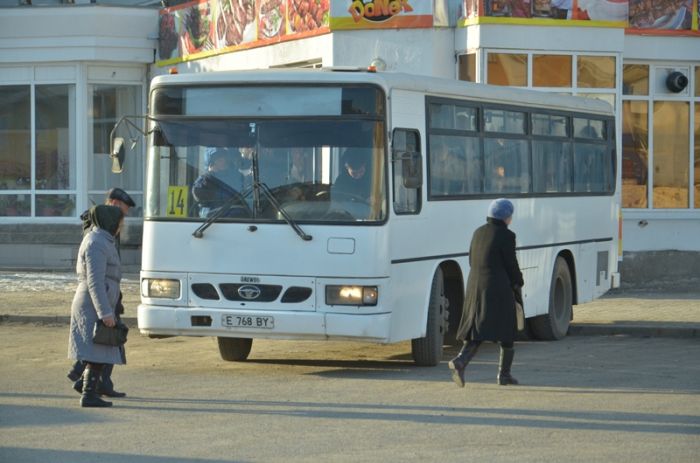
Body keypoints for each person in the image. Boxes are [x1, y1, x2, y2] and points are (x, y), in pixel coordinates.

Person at [449, 198, 524, 387]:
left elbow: (471, 259)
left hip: (475, 286)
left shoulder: (478, 232)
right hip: (497, 289)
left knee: (479, 329)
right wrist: (518, 282)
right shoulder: (506, 236)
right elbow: (511, 264)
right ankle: (498, 373)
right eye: (510, 216)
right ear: (506, 217)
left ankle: (465, 361)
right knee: (506, 330)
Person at [67, 187, 135, 398]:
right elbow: (95, 280)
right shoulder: (97, 239)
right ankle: (86, 384)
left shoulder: (104, 236)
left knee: (106, 343)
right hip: (97, 300)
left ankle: (94, 383)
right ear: (113, 206)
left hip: (106, 296)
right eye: (122, 216)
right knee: (101, 343)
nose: (122, 223)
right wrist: (105, 310)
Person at [192, 148, 246, 217]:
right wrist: (210, 175)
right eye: (219, 159)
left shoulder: (236, 176)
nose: (223, 161)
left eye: (224, 158)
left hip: (237, 216)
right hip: (213, 219)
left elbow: (245, 192)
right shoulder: (205, 179)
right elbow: (197, 193)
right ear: (211, 163)